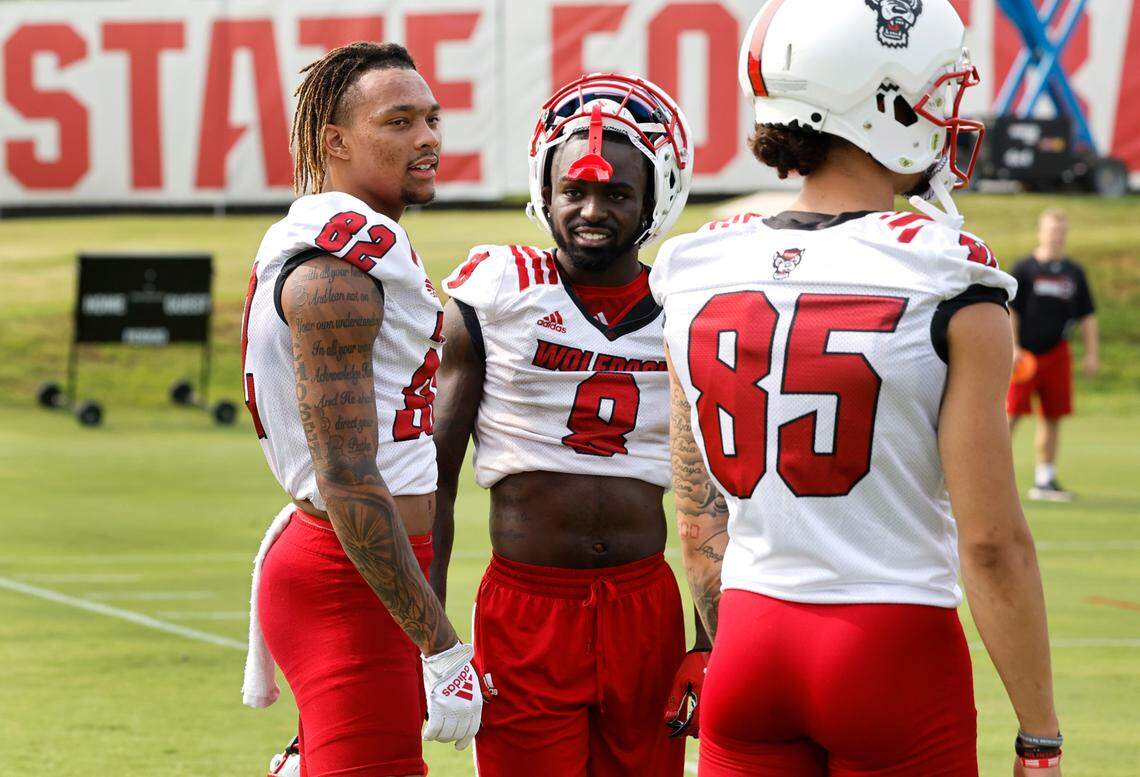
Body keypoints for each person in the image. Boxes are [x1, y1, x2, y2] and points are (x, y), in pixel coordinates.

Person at [652, 2, 1062, 775]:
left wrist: (725, 639)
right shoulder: (945, 274)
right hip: (891, 646)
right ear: (883, 101)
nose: (946, 114)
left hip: (749, 640)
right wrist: (1039, 732)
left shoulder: (696, 268)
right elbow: (992, 542)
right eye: (933, 94)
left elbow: (701, 525)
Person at [430, 73, 700, 776]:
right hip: (527, 607)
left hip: (646, 605)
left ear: (655, 198)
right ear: (543, 191)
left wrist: (710, 639)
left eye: (615, 194)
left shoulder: (687, 304)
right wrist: (427, 640)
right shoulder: (497, 292)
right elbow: (435, 478)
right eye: (573, 191)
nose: (590, 210)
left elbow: (719, 494)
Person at [239, 42, 481, 777]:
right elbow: (345, 473)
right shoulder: (335, 274)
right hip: (345, 573)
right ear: (335, 142)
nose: (428, 138)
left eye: (432, 120)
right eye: (399, 121)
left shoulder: (366, 249)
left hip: (370, 564)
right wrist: (441, 645)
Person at [1008, 208, 1098, 502]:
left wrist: (1091, 353)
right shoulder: (1024, 269)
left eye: (1060, 231)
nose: (1056, 236)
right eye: (1051, 230)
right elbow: (1011, 310)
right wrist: (1013, 345)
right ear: (1040, 232)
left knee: (1052, 417)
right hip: (1026, 356)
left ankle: (1044, 479)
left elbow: (1087, 315)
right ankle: (993, 475)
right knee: (1011, 415)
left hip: (1057, 353)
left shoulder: (1074, 273)